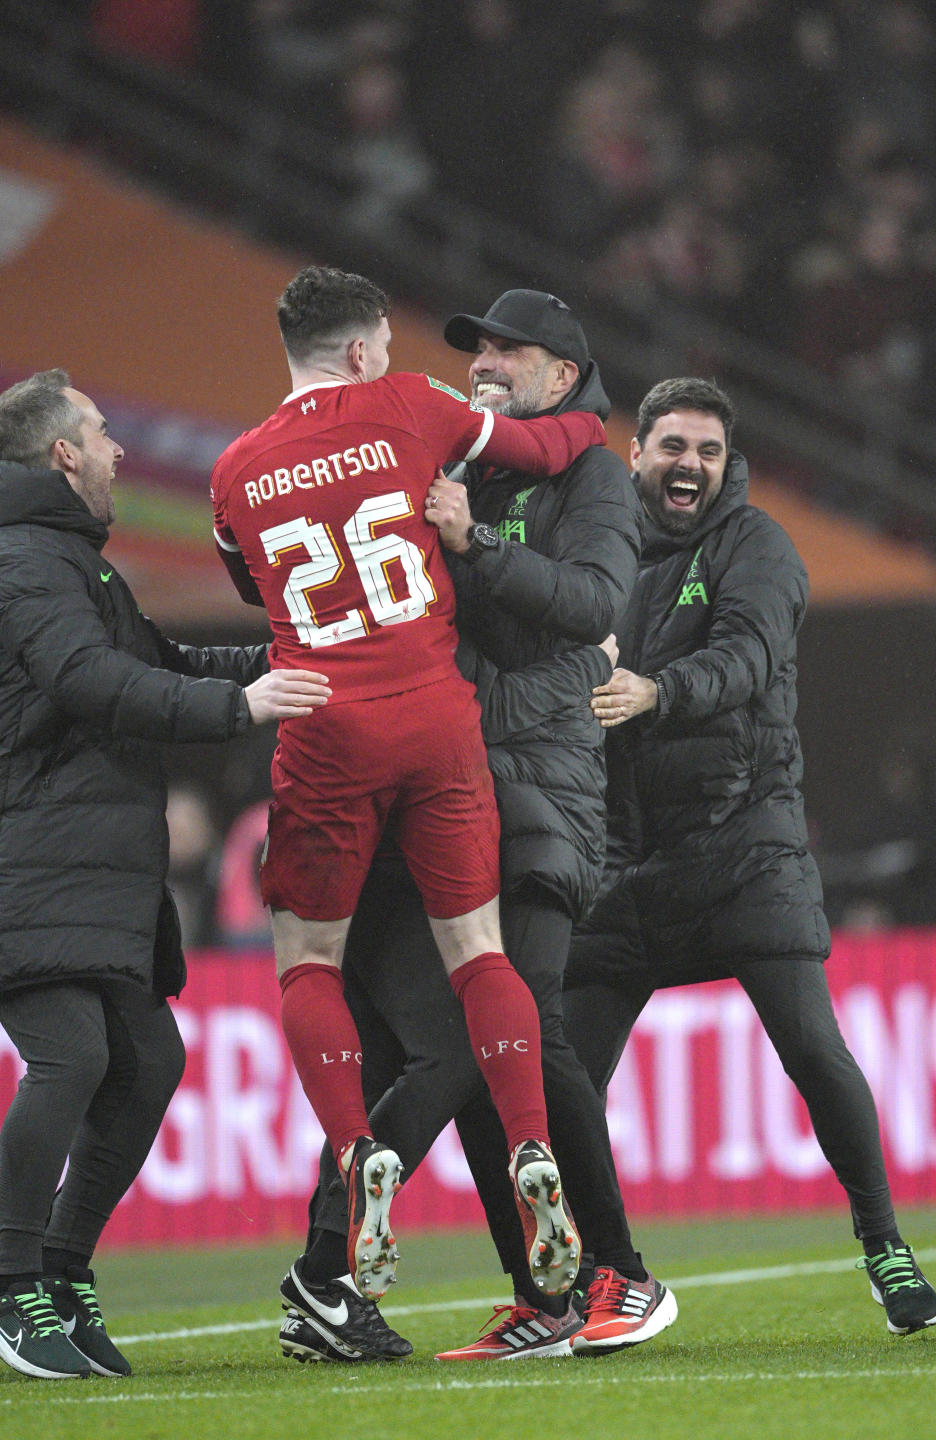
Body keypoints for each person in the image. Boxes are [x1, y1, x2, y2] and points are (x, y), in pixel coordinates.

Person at [281, 290, 676, 1365]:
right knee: (475, 1049)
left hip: (540, 790)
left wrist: (474, 544)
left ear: (564, 373)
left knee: (528, 1035)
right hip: (445, 790)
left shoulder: (590, 476)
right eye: (479, 350)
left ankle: (620, 1279)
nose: (488, 363)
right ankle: (543, 1295)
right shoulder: (461, 469)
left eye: (510, 350)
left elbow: (597, 600)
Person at [211, 267, 607, 1308]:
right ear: (357, 351)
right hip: (437, 721)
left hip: (323, 726)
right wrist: (593, 424)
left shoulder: (234, 471)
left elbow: (251, 583)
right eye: (383, 344)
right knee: (477, 950)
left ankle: (355, 1152)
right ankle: (531, 1144)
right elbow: (549, 443)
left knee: (308, 961)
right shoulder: (413, 407)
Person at [564, 375, 936, 1338]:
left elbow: (749, 657)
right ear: (637, 452)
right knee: (564, 1075)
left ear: (727, 468)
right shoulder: (597, 559)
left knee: (814, 1050)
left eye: (708, 451)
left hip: (748, 845)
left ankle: (883, 1242)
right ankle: (611, 1273)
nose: (689, 464)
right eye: (672, 447)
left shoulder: (758, 547)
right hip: (628, 860)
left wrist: (654, 691)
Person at [0, 370, 332, 1382]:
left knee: (146, 1064)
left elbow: (157, 658)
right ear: (63, 454)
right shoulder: (23, 562)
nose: (118, 451)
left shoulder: (68, 564)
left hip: (91, 861)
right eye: (101, 434)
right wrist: (243, 709)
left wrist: (288, 661)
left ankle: (60, 1270)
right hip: (33, 855)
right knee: (69, 1058)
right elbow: (91, 682)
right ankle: (11, 1287)